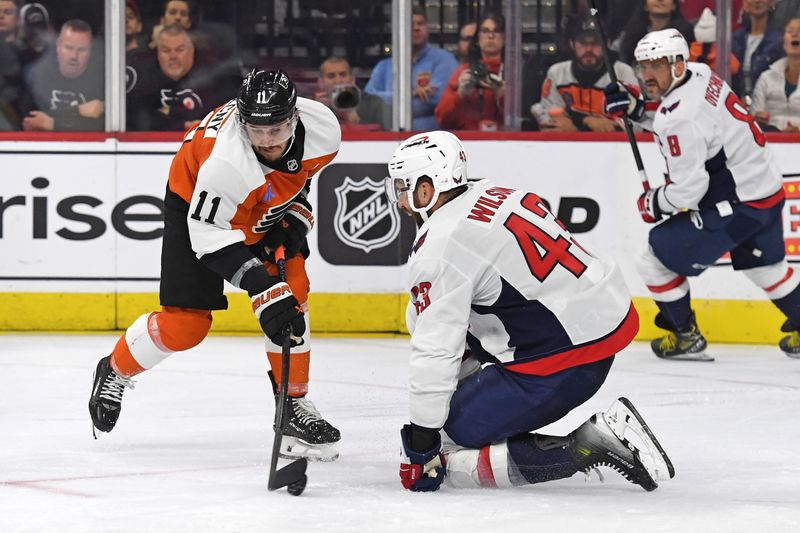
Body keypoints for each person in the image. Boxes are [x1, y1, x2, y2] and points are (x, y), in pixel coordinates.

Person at [384, 130, 674, 492]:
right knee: (436, 325)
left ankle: (588, 444)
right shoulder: (499, 193)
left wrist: (424, 439)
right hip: (597, 325)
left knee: (447, 442)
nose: (400, 201)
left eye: (402, 188)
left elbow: (435, 348)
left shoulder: (441, 244)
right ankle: (490, 397)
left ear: (425, 188)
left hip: (564, 361)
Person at [88, 69, 343, 461]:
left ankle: (293, 404)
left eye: (276, 128)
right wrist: (262, 288)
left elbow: (300, 178)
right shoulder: (226, 164)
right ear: (242, 124)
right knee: (186, 327)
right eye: (257, 131)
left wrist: (293, 216)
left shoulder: (323, 129)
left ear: (294, 118)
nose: (267, 141)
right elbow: (208, 236)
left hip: (251, 198)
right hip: (197, 204)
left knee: (295, 291)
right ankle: (115, 369)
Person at [604, 28, 800, 360]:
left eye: (657, 66)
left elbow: (689, 191)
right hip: (764, 193)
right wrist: (638, 111)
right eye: (644, 66)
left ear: (678, 65)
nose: (648, 75)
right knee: (767, 269)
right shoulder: (702, 75)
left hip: (737, 206)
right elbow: (688, 122)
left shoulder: (680, 118)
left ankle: (685, 337)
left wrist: (653, 202)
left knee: (652, 260)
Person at [531, 16, 640, 132]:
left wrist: (578, 126)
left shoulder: (623, 73)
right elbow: (548, 118)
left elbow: (636, 125)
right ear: (572, 44)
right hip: (567, 146)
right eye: (583, 43)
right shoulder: (557, 73)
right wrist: (586, 121)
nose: (589, 49)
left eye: (596, 43)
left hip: (612, 145)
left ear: (607, 44)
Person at [364, 5, 458, 130]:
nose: (416, 28)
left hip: (432, 140)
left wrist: (389, 105)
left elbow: (440, 103)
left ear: (427, 28)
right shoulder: (384, 67)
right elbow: (369, 103)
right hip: (388, 141)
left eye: (421, 23)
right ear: (399, 29)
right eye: (410, 24)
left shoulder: (444, 60)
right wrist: (410, 94)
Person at [127, 24, 227, 131]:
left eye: (180, 50)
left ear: (192, 50)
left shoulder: (212, 79)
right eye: (166, 50)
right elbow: (135, 117)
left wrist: (168, 114)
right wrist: (183, 124)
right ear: (158, 54)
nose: (173, 56)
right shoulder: (145, 81)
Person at [22, 19, 103, 131]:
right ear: (58, 47)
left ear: (90, 51)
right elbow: (30, 122)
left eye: (82, 50)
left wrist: (52, 123)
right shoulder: (39, 75)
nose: (74, 56)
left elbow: (102, 128)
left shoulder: (101, 79)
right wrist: (78, 111)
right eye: (68, 48)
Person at [435, 12, 506, 131]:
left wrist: (502, 97)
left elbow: (525, 122)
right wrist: (460, 94)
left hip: (509, 141)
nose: (491, 36)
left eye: (496, 31)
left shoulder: (515, 72)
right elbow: (442, 120)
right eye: (485, 31)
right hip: (470, 140)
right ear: (478, 39)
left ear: (504, 38)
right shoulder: (464, 72)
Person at [313, 55, 391, 131]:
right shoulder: (312, 106)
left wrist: (354, 119)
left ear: (352, 79)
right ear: (320, 82)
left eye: (343, 75)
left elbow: (387, 138)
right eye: (331, 76)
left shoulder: (373, 103)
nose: (338, 80)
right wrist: (317, 111)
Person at [751, 17, 800, 132]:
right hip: (770, 140)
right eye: (790, 31)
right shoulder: (766, 77)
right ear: (784, 43)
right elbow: (753, 118)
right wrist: (758, 117)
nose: (795, 34)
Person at [732, 0, 786, 99]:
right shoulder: (734, 39)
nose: (757, 1)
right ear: (744, 4)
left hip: (769, 103)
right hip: (737, 103)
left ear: (771, 3)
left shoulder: (782, 39)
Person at [617, 0, 695, 65]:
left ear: (674, 5)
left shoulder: (685, 33)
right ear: (645, 5)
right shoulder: (632, 34)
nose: (660, 0)